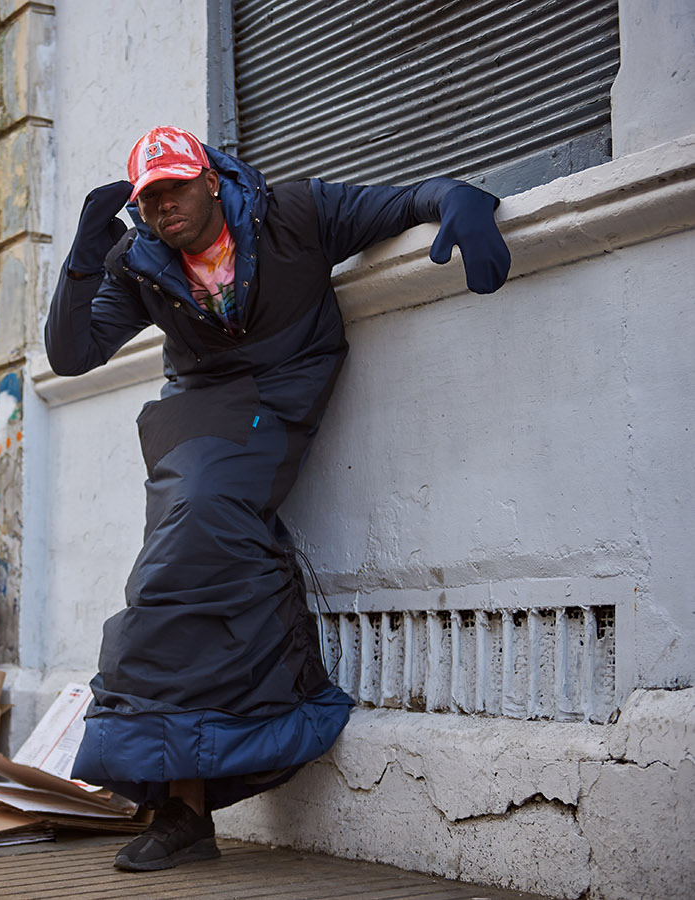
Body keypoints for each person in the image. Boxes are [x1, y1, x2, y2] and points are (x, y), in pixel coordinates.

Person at [45, 126, 510, 872]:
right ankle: (185, 809)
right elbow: (71, 356)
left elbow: (401, 202)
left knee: (195, 535)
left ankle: (210, 777)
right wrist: (79, 260)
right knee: (175, 566)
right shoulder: (141, 260)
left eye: (175, 187)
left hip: (282, 388)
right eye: (149, 197)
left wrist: (460, 197)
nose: (165, 206)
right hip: (198, 405)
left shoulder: (293, 212)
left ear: (208, 178)